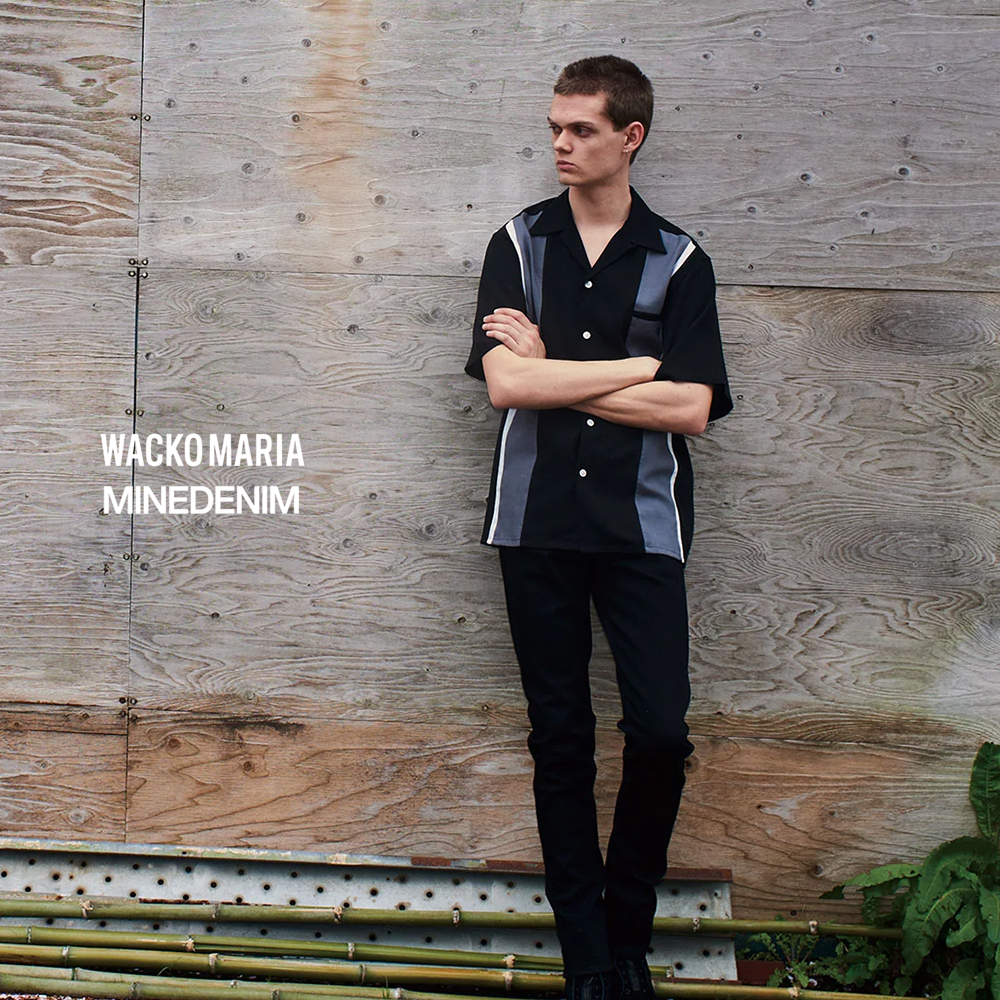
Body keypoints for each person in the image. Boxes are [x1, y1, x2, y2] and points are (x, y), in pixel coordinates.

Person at [464, 55, 733, 1000]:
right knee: (561, 738)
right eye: (554, 128)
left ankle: (628, 935)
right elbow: (506, 387)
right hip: (535, 523)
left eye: (580, 129)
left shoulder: (681, 259)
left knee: (658, 733)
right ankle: (588, 958)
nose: (561, 144)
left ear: (631, 136)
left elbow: (693, 409)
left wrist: (558, 373)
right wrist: (638, 366)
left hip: (642, 527)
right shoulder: (517, 244)